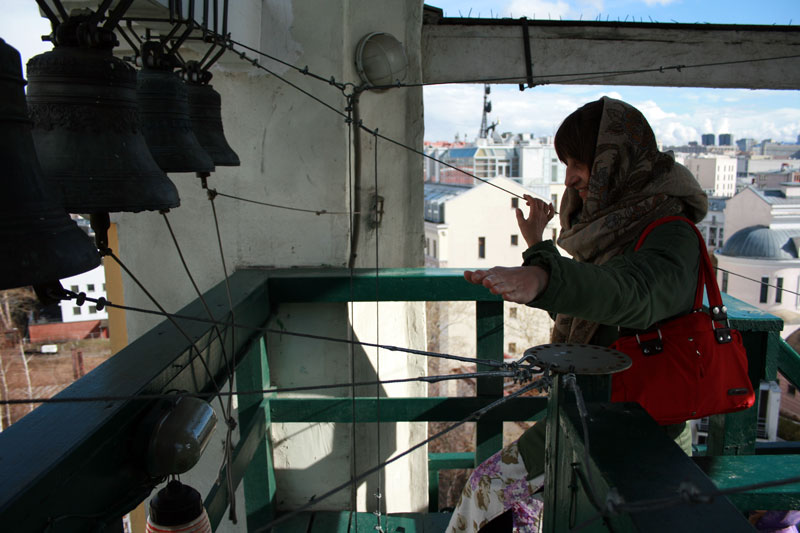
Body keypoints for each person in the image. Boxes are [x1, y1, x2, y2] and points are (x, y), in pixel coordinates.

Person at [446, 96, 708, 532]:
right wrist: (539, 249)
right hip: (599, 414)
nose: (570, 178)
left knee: (488, 489)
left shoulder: (672, 235)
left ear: (613, 160)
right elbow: (592, 310)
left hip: (642, 426)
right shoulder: (618, 226)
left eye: (579, 163)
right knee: (499, 496)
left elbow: (631, 293)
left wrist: (544, 276)